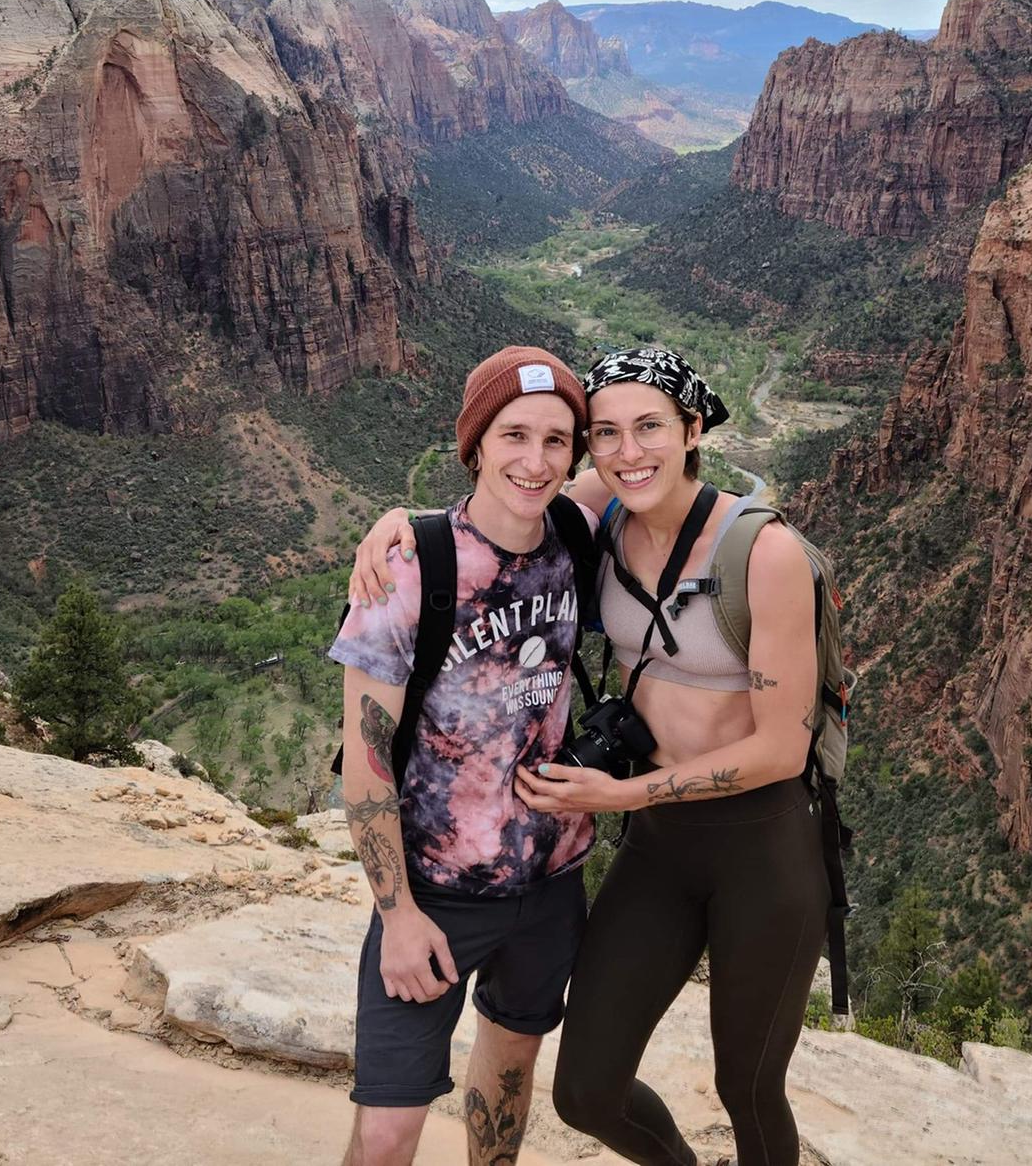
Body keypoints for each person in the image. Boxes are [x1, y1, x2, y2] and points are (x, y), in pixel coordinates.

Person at [351, 347, 828, 1166]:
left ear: (693, 428)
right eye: (605, 433)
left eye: (650, 427)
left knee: (746, 1088)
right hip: (602, 857)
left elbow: (786, 746)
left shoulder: (738, 548)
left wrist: (622, 798)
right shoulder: (555, 528)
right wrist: (398, 523)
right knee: (574, 1093)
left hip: (729, 845)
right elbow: (502, 501)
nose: (625, 449)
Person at [330, 345, 599, 1166]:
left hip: (552, 882)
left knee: (509, 1080)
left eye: (557, 440)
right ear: (475, 442)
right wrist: (398, 916)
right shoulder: (411, 569)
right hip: (435, 894)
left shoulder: (578, 531)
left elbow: (649, 476)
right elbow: (367, 766)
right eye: (514, 435)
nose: (536, 460)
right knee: (386, 1132)